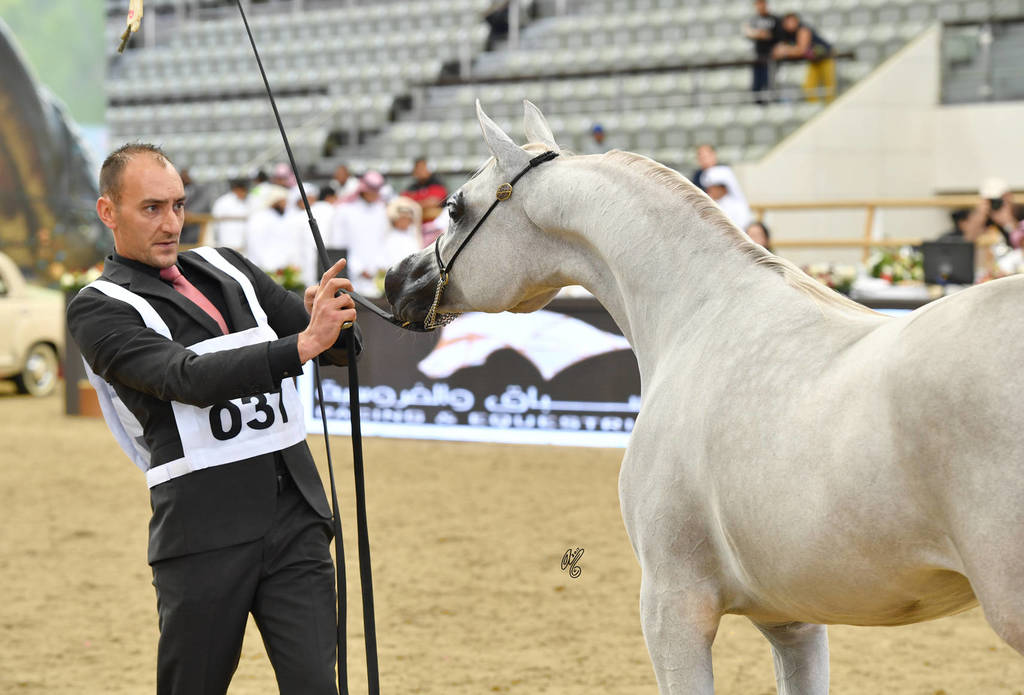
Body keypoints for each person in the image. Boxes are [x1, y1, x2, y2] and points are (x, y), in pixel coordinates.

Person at [67, 143, 359, 695]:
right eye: (151, 208)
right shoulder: (98, 306)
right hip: (202, 536)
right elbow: (186, 378)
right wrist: (301, 343)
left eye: (177, 205)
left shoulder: (228, 265)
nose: (171, 222)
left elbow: (333, 346)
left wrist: (334, 318)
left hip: (296, 519)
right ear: (109, 212)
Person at [331, 170, 391, 295]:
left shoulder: (381, 210)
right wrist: (358, 269)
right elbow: (338, 244)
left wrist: (379, 267)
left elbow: (384, 240)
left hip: (376, 277)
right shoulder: (344, 211)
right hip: (351, 276)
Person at [773, 12, 836, 103]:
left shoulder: (803, 29)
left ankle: (831, 107)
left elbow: (801, 50)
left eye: (792, 21)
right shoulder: (786, 34)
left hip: (825, 58)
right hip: (813, 60)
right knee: (808, 87)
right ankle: (815, 108)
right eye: (787, 22)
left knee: (828, 87)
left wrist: (786, 50)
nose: (789, 24)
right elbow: (777, 51)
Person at [744, 0, 781, 105]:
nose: (760, 6)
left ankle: (771, 103)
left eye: (762, 3)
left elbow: (775, 36)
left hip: (771, 55)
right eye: (758, 4)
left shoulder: (774, 19)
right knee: (757, 83)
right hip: (758, 56)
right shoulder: (753, 20)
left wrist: (760, 34)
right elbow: (748, 32)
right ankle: (758, 104)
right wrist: (759, 34)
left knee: (769, 82)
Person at [703, 165, 753, 230]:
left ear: (723, 188)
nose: (709, 191)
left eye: (712, 188)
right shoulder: (710, 205)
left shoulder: (738, 207)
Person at [208, 177, 250, 252]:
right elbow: (215, 224)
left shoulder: (248, 201)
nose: (244, 193)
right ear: (237, 189)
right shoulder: (223, 202)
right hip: (226, 243)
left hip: (243, 245)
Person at [403, 157, 448, 223]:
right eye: (418, 168)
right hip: (417, 225)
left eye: (423, 168)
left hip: (437, 226)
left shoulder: (437, 184)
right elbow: (404, 204)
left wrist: (415, 206)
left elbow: (433, 202)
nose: (421, 171)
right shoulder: (411, 188)